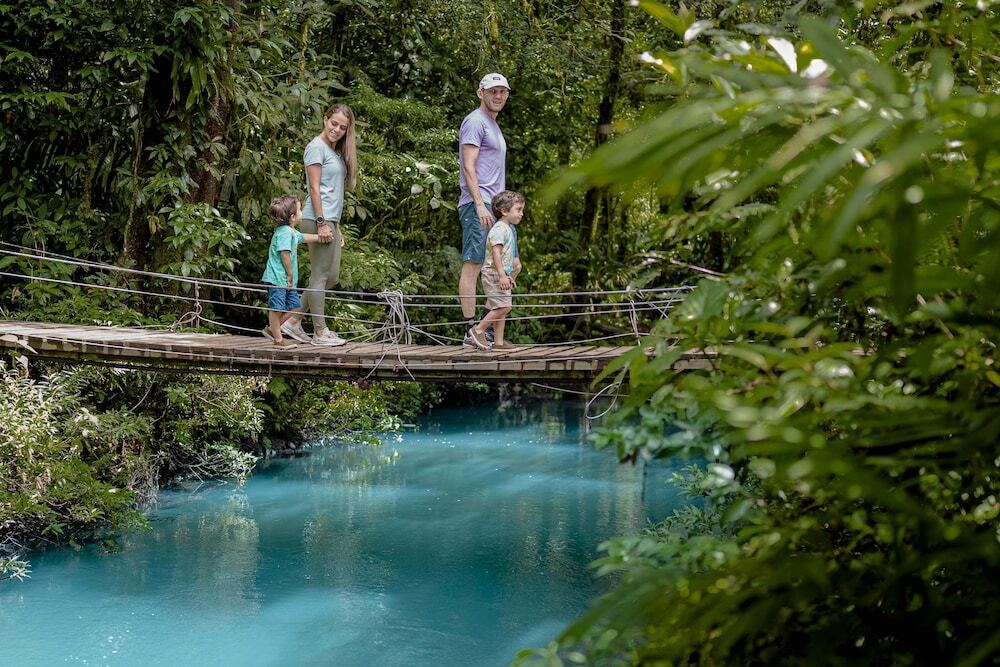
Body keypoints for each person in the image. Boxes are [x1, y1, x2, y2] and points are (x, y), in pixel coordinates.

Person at [281, 103, 359, 346]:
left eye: (342, 127)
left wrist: (337, 226)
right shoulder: (316, 148)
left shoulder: (334, 151)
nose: (336, 129)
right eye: (333, 123)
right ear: (325, 119)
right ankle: (320, 332)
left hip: (330, 221)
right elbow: (314, 189)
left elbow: (332, 192)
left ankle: (292, 322)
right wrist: (323, 223)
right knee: (320, 275)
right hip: (317, 219)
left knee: (331, 277)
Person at [458, 73, 511, 348]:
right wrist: (479, 204)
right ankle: (471, 331)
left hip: (495, 207)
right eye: (493, 91)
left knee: (499, 267)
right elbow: (469, 166)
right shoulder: (475, 121)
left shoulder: (492, 125)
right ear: (481, 93)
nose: (498, 96)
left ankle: (487, 330)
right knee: (474, 264)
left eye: (503, 92)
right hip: (477, 205)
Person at [261, 195, 329, 347]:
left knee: (295, 306)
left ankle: (273, 329)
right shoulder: (284, 232)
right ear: (292, 217)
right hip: (279, 278)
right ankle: (278, 340)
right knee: (276, 308)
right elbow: (284, 254)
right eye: (300, 210)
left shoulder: (290, 231)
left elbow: (303, 237)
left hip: (286, 280)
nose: (302, 213)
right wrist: (290, 274)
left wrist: (321, 237)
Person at [467, 190, 524, 350]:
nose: (521, 214)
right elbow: (496, 254)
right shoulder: (499, 229)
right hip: (493, 274)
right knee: (504, 307)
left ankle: (498, 342)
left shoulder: (508, 229)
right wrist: (501, 276)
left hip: (500, 274)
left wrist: (508, 275)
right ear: (505, 211)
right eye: (518, 210)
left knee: (501, 307)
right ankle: (478, 330)